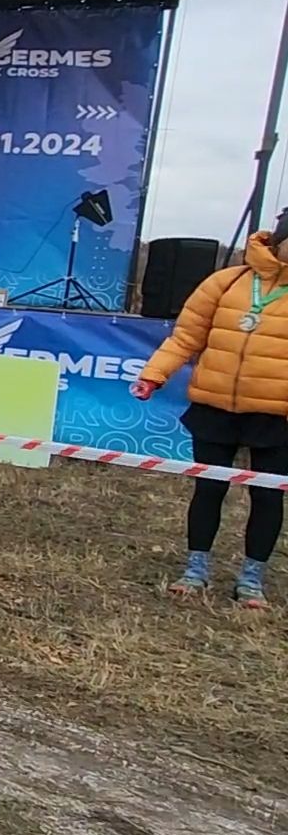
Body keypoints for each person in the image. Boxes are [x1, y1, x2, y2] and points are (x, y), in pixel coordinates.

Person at [132, 209, 288, 608]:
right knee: (208, 488)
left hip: (276, 416)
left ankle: (251, 580)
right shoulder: (225, 282)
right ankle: (195, 570)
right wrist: (154, 375)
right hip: (214, 406)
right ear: (279, 240)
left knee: (268, 497)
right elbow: (185, 338)